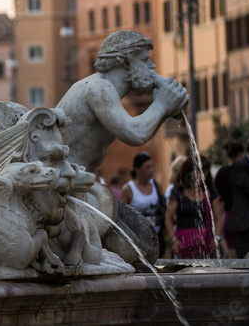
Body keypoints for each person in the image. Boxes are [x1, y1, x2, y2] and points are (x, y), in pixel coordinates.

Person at [56, 31, 188, 173]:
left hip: (76, 179)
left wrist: (166, 108)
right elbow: (135, 134)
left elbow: (143, 131)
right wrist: (161, 104)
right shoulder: (99, 88)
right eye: (144, 60)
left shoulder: (107, 92)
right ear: (124, 61)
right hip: (59, 180)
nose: (152, 66)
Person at [166, 156, 222, 259]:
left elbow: (218, 218)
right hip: (183, 244)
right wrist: (173, 240)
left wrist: (217, 238)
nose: (202, 176)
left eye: (205, 172)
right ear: (188, 172)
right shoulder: (178, 191)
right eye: (198, 172)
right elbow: (168, 218)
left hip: (207, 245)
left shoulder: (211, 192)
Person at [120, 151, 165, 258]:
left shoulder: (156, 185)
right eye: (147, 167)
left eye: (152, 167)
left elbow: (164, 208)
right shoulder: (128, 189)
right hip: (138, 238)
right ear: (137, 169)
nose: (151, 170)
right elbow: (121, 215)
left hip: (157, 235)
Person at [214, 140, 244, 257]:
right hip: (244, 216)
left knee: (231, 253)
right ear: (241, 154)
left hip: (228, 216)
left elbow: (218, 198)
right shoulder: (243, 172)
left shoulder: (221, 173)